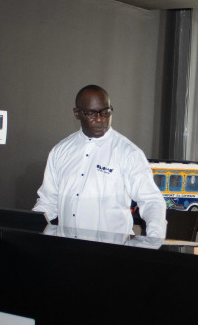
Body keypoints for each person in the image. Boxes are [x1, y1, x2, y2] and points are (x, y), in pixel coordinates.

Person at [34, 85, 166, 240]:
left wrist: (155, 239)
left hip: (111, 250)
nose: (99, 119)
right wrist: (28, 229)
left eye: (105, 112)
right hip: (68, 247)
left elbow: (151, 201)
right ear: (77, 113)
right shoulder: (60, 151)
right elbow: (48, 202)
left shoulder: (129, 153)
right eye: (91, 113)